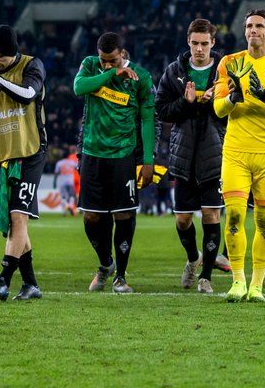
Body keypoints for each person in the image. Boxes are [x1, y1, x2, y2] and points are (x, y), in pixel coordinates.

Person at [213, 9, 265, 302]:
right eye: (249, 26)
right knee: (234, 215)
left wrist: (264, 95)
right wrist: (233, 98)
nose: (253, 30)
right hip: (235, 151)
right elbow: (218, 109)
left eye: (259, 26)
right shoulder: (229, 62)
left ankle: (257, 285)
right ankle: (238, 281)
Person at [74, 32, 155, 294]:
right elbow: (79, 88)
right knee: (91, 216)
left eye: (112, 60)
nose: (107, 64)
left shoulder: (141, 77)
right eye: (103, 60)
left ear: (123, 53)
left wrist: (148, 160)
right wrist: (111, 73)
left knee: (123, 214)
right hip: (92, 152)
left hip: (123, 154)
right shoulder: (90, 65)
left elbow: (147, 119)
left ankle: (120, 276)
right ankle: (105, 263)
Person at [0, 24, 48, 301]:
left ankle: (3, 279)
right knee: (13, 219)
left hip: (29, 151)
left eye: (0, 56)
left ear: (13, 52)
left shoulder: (32, 65)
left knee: (17, 215)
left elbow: (29, 94)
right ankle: (30, 284)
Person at [155, 18, 226, 294]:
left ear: (213, 43)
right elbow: (162, 110)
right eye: (195, 43)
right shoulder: (174, 71)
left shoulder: (225, 70)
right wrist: (186, 103)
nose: (199, 49)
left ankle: (206, 276)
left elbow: (236, 107)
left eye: (204, 44)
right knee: (182, 220)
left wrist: (215, 103)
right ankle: (193, 257)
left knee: (211, 215)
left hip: (215, 154)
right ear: (188, 41)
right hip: (183, 155)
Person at [55, 149, 79, 216]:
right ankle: (71, 206)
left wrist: (54, 182)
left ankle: (65, 209)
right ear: (68, 156)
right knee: (71, 196)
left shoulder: (59, 163)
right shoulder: (72, 162)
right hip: (71, 182)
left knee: (63, 197)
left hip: (63, 182)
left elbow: (56, 173)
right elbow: (77, 168)